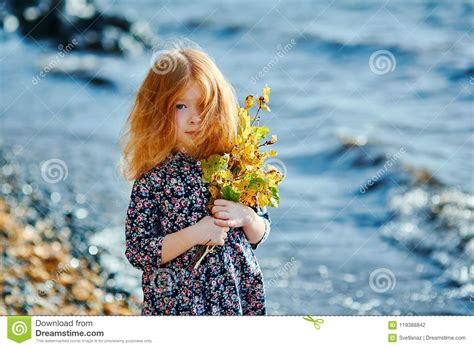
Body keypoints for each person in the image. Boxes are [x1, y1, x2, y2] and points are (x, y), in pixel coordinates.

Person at [120, 47, 271, 315]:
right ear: (158, 109)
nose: (195, 117)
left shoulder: (233, 162)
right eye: (181, 106)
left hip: (233, 300)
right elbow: (139, 251)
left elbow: (260, 233)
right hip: (179, 303)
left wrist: (247, 217)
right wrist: (195, 234)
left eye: (203, 105)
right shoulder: (155, 175)